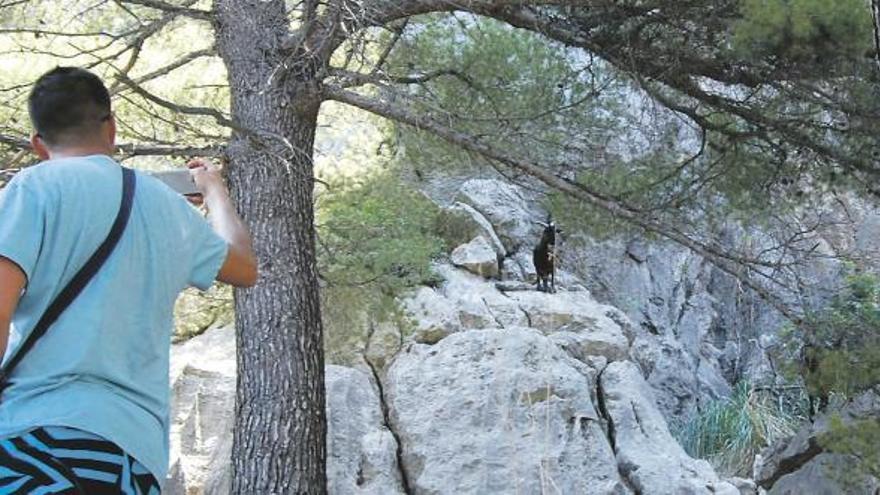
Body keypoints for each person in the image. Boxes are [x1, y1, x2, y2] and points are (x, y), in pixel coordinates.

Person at [0, 67, 257, 493]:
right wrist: (214, 193)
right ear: (111, 126)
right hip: (131, 456)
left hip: (35, 438)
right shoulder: (165, 206)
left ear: (38, 144)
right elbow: (245, 267)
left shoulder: (30, 189)